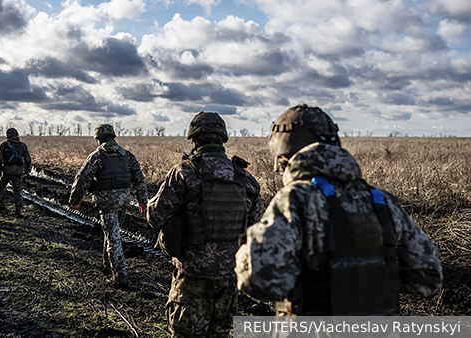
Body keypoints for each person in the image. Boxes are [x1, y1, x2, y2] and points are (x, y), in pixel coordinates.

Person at [235, 104, 443, 316]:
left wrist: (247, 248)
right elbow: (427, 279)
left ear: (283, 155)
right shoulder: (381, 201)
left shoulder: (295, 200)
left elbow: (259, 280)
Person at [147, 112, 264, 338]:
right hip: (229, 277)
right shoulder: (245, 178)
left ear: (194, 140)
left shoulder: (184, 172)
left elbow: (155, 218)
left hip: (192, 275)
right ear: (222, 139)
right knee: (219, 333)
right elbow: (257, 231)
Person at [69, 123, 148, 289]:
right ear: (113, 137)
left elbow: (82, 179)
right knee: (111, 233)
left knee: (113, 238)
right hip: (123, 202)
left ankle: (120, 277)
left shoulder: (96, 157)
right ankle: (106, 266)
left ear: (98, 139)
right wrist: (142, 200)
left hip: (106, 203)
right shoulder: (127, 155)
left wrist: (75, 200)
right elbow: (139, 178)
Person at [0, 128, 31, 217]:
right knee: (17, 190)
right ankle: (18, 210)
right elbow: (28, 159)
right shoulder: (22, 145)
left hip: (6, 170)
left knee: (2, 186)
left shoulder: (3, 145)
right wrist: (27, 170)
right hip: (18, 171)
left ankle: (2, 204)